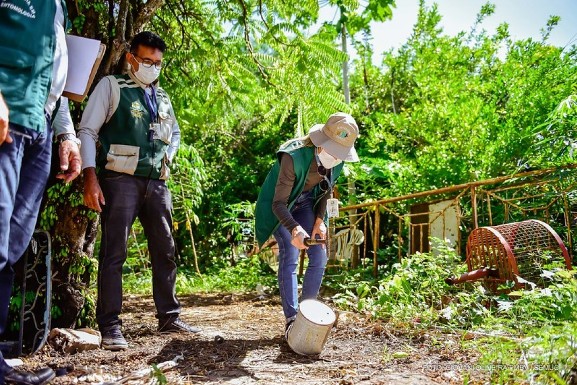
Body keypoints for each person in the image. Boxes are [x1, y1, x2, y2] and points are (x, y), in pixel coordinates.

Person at [78, 31, 200, 351]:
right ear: (131, 57)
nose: (152, 67)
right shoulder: (112, 87)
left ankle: (169, 316)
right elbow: (88, 131)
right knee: (114, 252)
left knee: (165, 250)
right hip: (119, 180)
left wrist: (169, 155)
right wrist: (90, 178)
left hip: (157, 183)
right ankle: (110, 325)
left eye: (157, 63)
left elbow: (174, 133)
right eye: (146, 61)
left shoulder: (162, 97)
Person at [0, 1, 81, 384]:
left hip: (40, 127)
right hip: (6, 114)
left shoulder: (58, 5)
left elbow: (55, 67)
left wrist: (65, 133)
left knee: (12, 245)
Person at [255, 112, 360, 339]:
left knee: (320, 253)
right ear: (322, 143)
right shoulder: (293, 156)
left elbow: (326, 191)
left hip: (306, 203)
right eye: (335, 151)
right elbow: (279, 203)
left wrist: (320, 222)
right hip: (279, 207)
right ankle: (292, 319)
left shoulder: (336, 162)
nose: (338, 158)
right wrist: (295, 228)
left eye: (342, 153)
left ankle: (307, 315)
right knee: (291, 252)